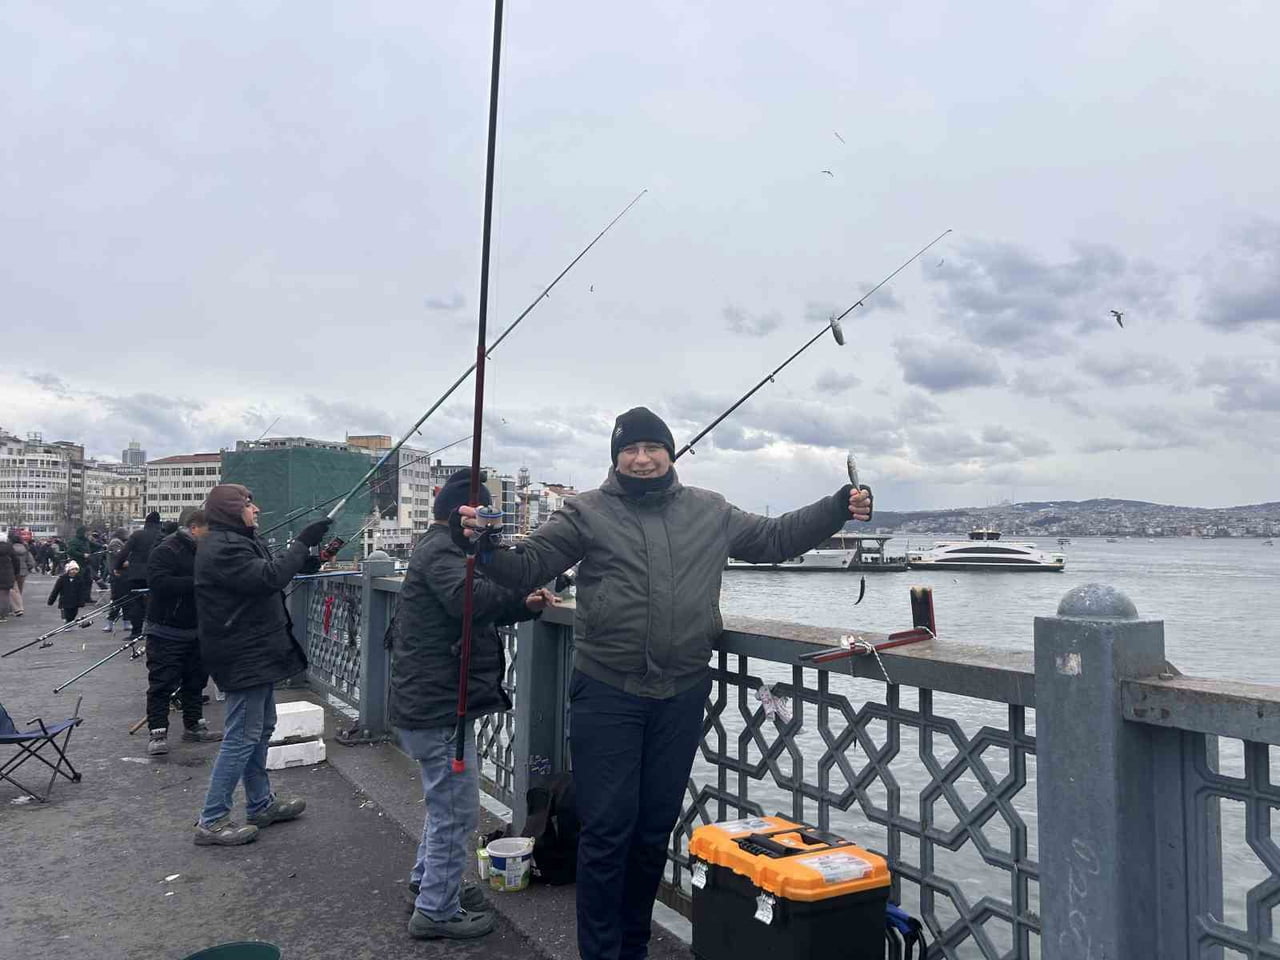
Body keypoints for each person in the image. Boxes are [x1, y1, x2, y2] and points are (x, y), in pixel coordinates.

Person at [453, 407, 873, 960]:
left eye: (654, 447)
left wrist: (836, 506)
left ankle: (634, 947)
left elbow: (774, 540)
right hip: (607, 691)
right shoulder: (586, 512)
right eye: (631, 449)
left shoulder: (711, 510)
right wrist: (485, 545)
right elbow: (527, 565)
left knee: (653, 831)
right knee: (606, 834)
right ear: (616, 456)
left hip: (682, 692)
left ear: (671, 454)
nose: (643, 458)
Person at [391, 468, 555, 941]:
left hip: (433, 701)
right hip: (438, 705)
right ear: (463, 515)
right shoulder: (442, 549)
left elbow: (480, 603)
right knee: (456, 812)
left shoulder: (442, 548)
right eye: (482, 515)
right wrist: (511, 578)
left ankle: (429, 885)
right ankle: (435, 912)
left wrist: (524, 603)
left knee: (446, 803)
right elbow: (469, 597)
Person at [191, 484, 331, 846]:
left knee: (262, 726)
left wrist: (306, 558)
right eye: (249, 505)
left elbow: (266, 572)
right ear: (230, 510)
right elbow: (269, 578)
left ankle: (260, 804)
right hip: (242, 650)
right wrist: (301, 542)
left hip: (253, 648)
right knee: (242, 735)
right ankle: (212, 819)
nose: (257, 510)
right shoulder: (223, 547)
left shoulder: (236, 541)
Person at [144, 508, 222, 757]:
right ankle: (158, 732)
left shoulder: (205, 551)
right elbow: (159, 583)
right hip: (166, 630)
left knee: (195, 681)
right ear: (194, 528)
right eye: (209, 531)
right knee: (161, 683)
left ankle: (194, 725)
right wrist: (198, 581)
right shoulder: (166, 550)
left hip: (197, 629)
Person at [117, 512, 165, 639]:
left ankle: (136, 632)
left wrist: (118, 567)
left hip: (136, 575)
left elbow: (124, 552)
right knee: (155, 602)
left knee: (136, 603)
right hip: (155, 574)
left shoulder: (137, 535)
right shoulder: (162, 536)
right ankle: (153, 630)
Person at [103, 528, 130, 632]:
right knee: (117, 599)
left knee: (125, 599)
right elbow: (120, 556)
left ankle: (126, 622)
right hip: (118, 575)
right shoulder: (116, 543)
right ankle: (110, 622)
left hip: (121, 574)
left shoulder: (119, 542)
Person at [7, 529, 35, 617]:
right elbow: (30, 560)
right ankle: (19, 606)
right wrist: (29, 568)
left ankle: (14, 608)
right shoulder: (25, 548)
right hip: (23, 571)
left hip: (12, 570)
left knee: (11, 590)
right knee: (19, 590)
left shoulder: (9, 548)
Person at [0, 533, 19, 623]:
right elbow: (16, 560)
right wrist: (15, 572)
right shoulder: (9, 547)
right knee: (5, 595)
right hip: (7, 574)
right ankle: (3, 615)